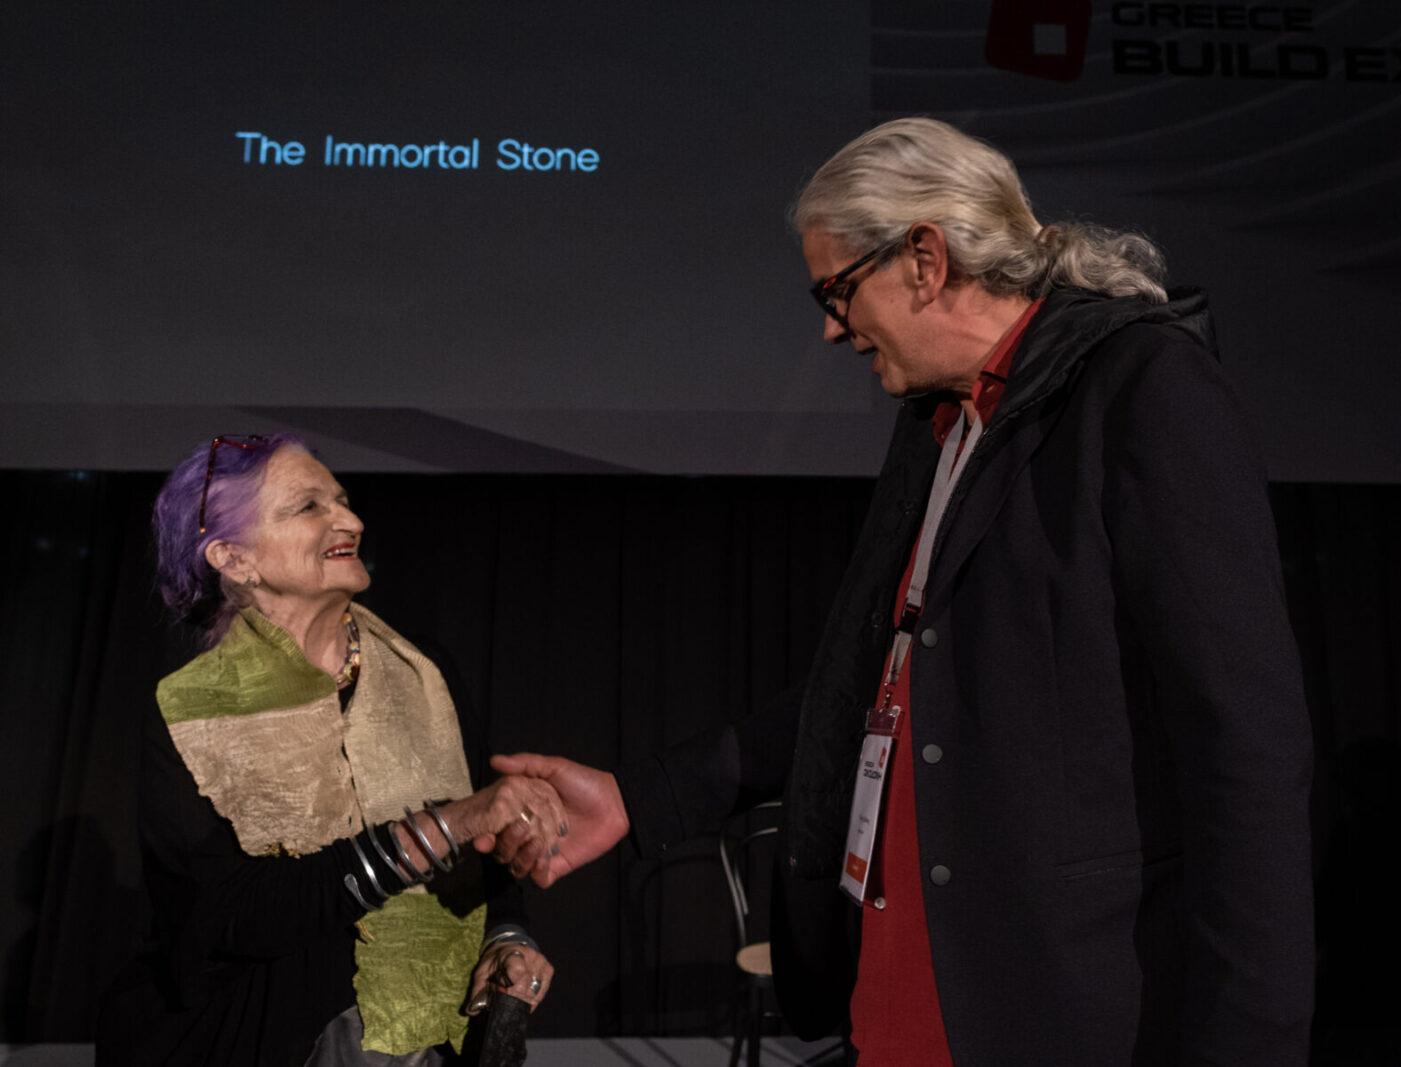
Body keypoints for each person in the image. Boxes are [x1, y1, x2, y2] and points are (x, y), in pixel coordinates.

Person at [494, 118, 1315, 1065]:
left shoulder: (1145, 389)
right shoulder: (940, 424)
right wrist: (641, 797)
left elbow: (1244, 746)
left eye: (837, 291)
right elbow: (871, 688)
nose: (831, 327)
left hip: (1057, 1012)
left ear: (925, 259)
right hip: (902, 1002)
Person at [97, 433, 564, 1066]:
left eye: (342, 500)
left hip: (435, 1036)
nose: (351, 520)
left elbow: (487, 844)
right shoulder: (191, 710)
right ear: (234, 558)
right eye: (309, 506)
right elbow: (231, 916)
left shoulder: (425, 673)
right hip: (269, 1040)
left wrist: (506, 937)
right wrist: (445, 827)